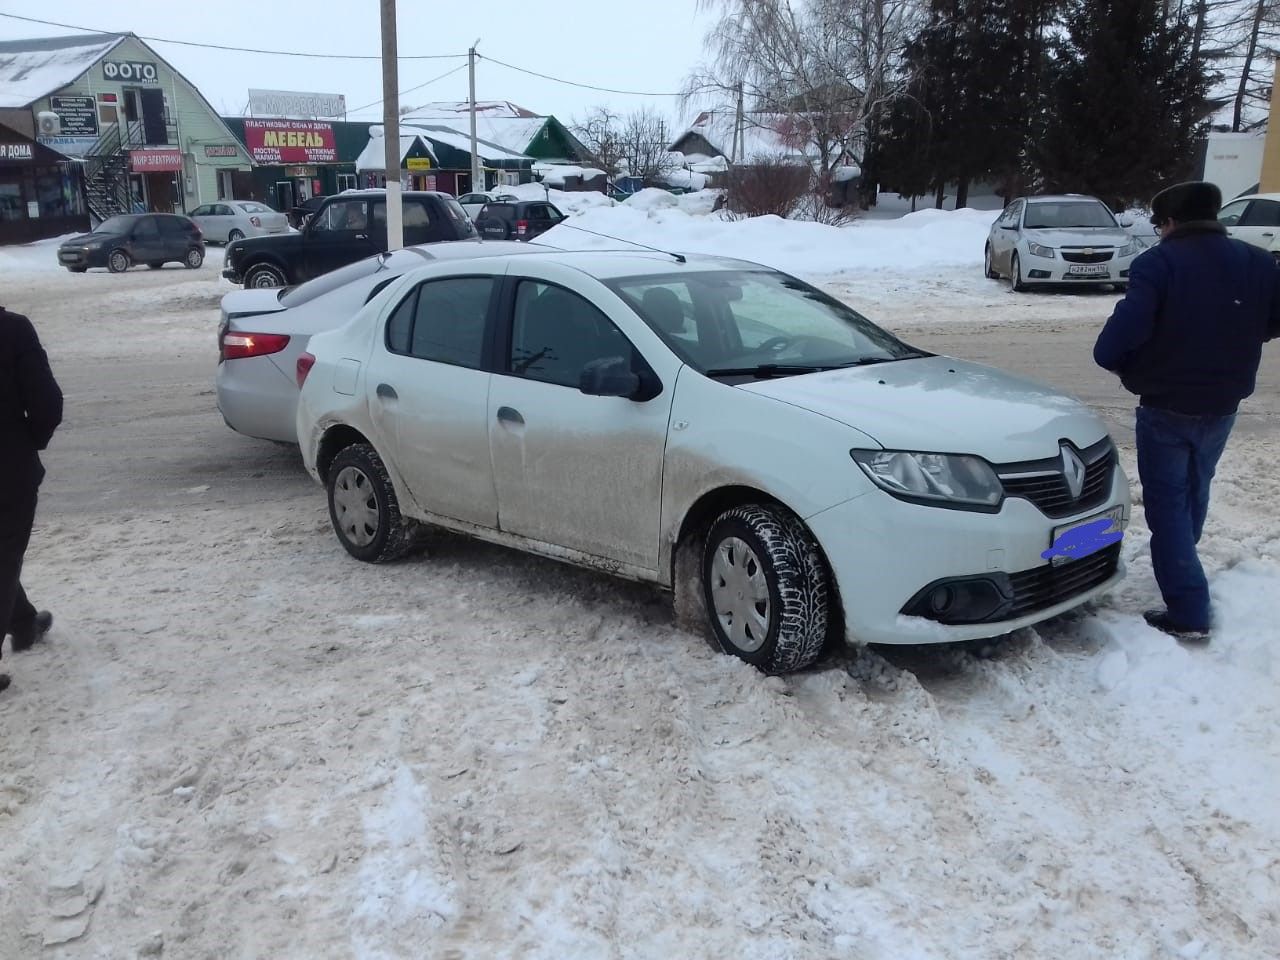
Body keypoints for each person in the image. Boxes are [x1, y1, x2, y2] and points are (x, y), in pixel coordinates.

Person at [1093, 181, 1280, 642]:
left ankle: (1189, 610)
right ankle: (1184, 568)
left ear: (1171, 223)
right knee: (1196, 487)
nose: (1158, 232)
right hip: (1224, 403)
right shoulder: (1258, 262)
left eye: (1159, 225)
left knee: (1168, 505)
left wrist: (1129, 368)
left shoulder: (1158, 264)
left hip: (1166, 405)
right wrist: (1236, 340)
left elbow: (1114, 342)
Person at [0, 305, 63, 693]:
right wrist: (28, 443)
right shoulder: (12, 331)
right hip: (7, 471)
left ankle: (22, 622)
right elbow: (46, 404)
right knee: (4, 553)